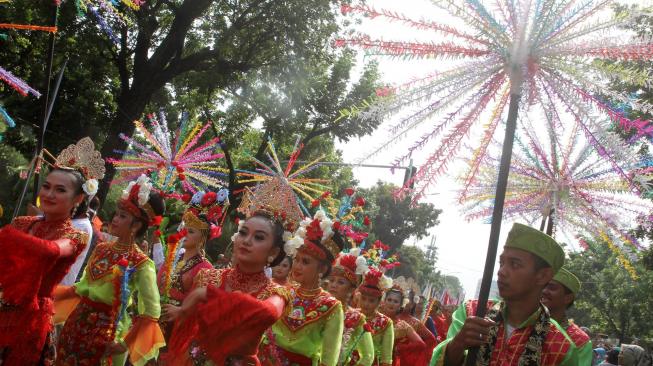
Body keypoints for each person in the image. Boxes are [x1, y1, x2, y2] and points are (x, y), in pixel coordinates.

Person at [164, 179, 304, 365]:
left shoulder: (277, 293)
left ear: (273, 252)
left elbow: (266, 312)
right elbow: (186, 331)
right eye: (244, 233)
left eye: (259, 237)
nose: (246, 241)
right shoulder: (208, 276)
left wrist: (206, 293)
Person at [0, 137, 102, 366]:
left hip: (30, 321)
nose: (49, 194)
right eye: (46, 186)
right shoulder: (22, 223)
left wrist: (8, 236)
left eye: (60, 190)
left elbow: (52, 251)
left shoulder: (76, 235)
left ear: (77, 199)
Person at [55, 175, 166, 366]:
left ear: (137, 225)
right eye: (116, 214)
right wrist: (51, 296)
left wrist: (125, 344)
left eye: (122, 216)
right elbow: (81, 287)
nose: (114, 219)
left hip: (106, 334)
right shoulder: (102, 249)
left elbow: (152, 311)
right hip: (76, 324)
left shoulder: (141, 263)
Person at [430, 223, 578, 365]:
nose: (501, 272)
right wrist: (458, 343)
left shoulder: (561, 347)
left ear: (543, 276)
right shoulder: (473, 312)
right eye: (502, 263)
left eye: (515, 264)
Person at [259, 209, 345, 366]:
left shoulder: (331, 307)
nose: (297, 266)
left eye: (305, 262)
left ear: (322, 269)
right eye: (296, 260)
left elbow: (329, 356)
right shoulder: (283, 292)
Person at [157, 190, 226, 341]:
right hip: (157, 315)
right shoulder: (173, 257)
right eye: (184, 229)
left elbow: (201, 306)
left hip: (178, 324)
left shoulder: (206, 269)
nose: (184, 234)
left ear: (203, 237)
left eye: (191, 231)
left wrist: (181, 309)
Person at [327, 250, 374, 365]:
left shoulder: (356, 318)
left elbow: (368, 356)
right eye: (332, 280)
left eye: (340, 282)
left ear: (352, 289)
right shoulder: (317, 306)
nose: (333, 285)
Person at [541, 267, 593, 365]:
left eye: (551, 287)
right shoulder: (522, 323)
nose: (543, 291)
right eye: (542, 286)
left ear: (567, 298)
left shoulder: (579, 340)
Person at [357, 267, 395, 366]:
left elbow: (386, 358)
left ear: (379, 302)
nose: (366, 303)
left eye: (371, 301)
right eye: (363, 298)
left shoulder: (386, 323)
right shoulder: (351, 315)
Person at [382, 288, 428, 366]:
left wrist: (400, 348)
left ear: (401, 305)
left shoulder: (402, 325)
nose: (391, 303)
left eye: (396, 301)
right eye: (389, 300)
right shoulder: (375, 317)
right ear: (384, 301)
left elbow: (421, 344)